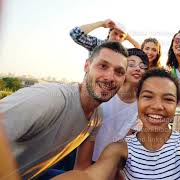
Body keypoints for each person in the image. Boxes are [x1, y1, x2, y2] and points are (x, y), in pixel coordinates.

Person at [53, 68, 180, 180]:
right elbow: (90, 177)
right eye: (148, 97)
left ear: (176, 105)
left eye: (168, 99)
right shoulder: (119, 149)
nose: (157, 106)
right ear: (137, 100)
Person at [0, 41, 128, 179]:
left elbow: (82, 168)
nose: (110, 77)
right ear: (87, 65)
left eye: (119, 72)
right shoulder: (50, 99)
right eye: (103, 66)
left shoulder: (97, 117)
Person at [74, 48, 148, 170]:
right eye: (131, 64)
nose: (138, 68)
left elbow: (127, 142)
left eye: (142, 66)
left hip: (110, 163)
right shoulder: (104, 93)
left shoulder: (141, 106)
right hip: (82, 153)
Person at [70, 19, 140, 55]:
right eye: (115, 33)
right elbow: (75, 33)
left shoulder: (124, 52)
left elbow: (142, 53)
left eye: (121, 36)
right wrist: (101, 23)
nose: (117, 38)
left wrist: (128, 38)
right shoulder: (97, 44)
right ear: (109, 33)